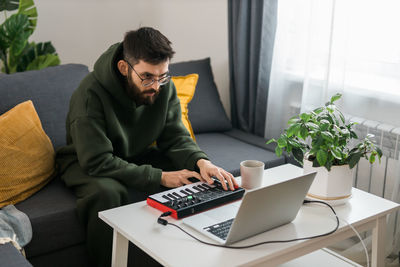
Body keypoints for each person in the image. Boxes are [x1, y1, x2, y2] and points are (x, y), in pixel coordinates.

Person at [56, 27, 238, 267]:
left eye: (162, 76)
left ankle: (195, 253)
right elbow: (96, 160)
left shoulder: (163, 86)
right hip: (85, 160)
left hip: (135, 155)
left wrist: (202, 162)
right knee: (107, 193)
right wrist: (160, 177)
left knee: (196, 174)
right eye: (147, 77)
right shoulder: (90, 94)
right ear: (124, 68)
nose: (156, 85)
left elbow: (175, 137)